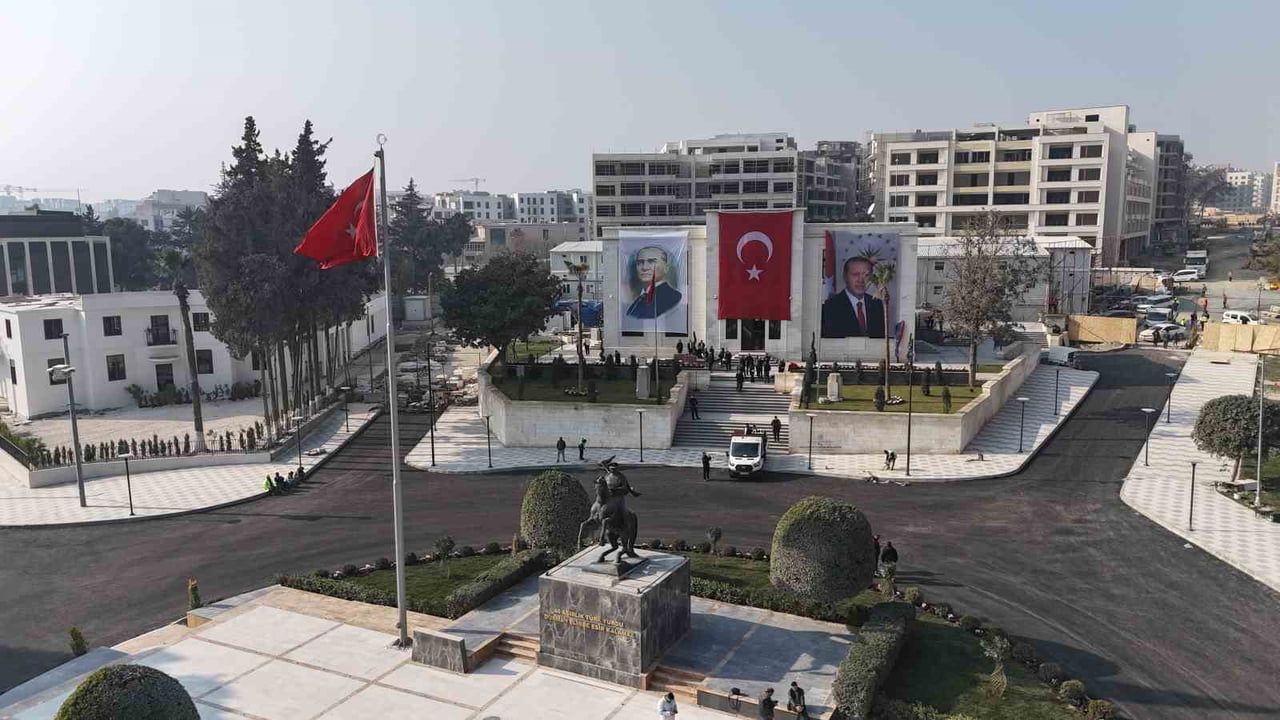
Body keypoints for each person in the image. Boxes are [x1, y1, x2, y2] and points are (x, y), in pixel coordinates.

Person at [821, 257, 886, 338]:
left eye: (866, 275)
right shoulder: (830, 307)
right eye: (855, 274)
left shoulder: (877, 305)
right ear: (845, 277)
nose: (861, 280)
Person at [626, 246, 683, 318]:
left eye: (651, 262)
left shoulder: (673, 297)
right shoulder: (640, 297)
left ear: (666, 268)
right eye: (640, 262)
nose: (644, 267)